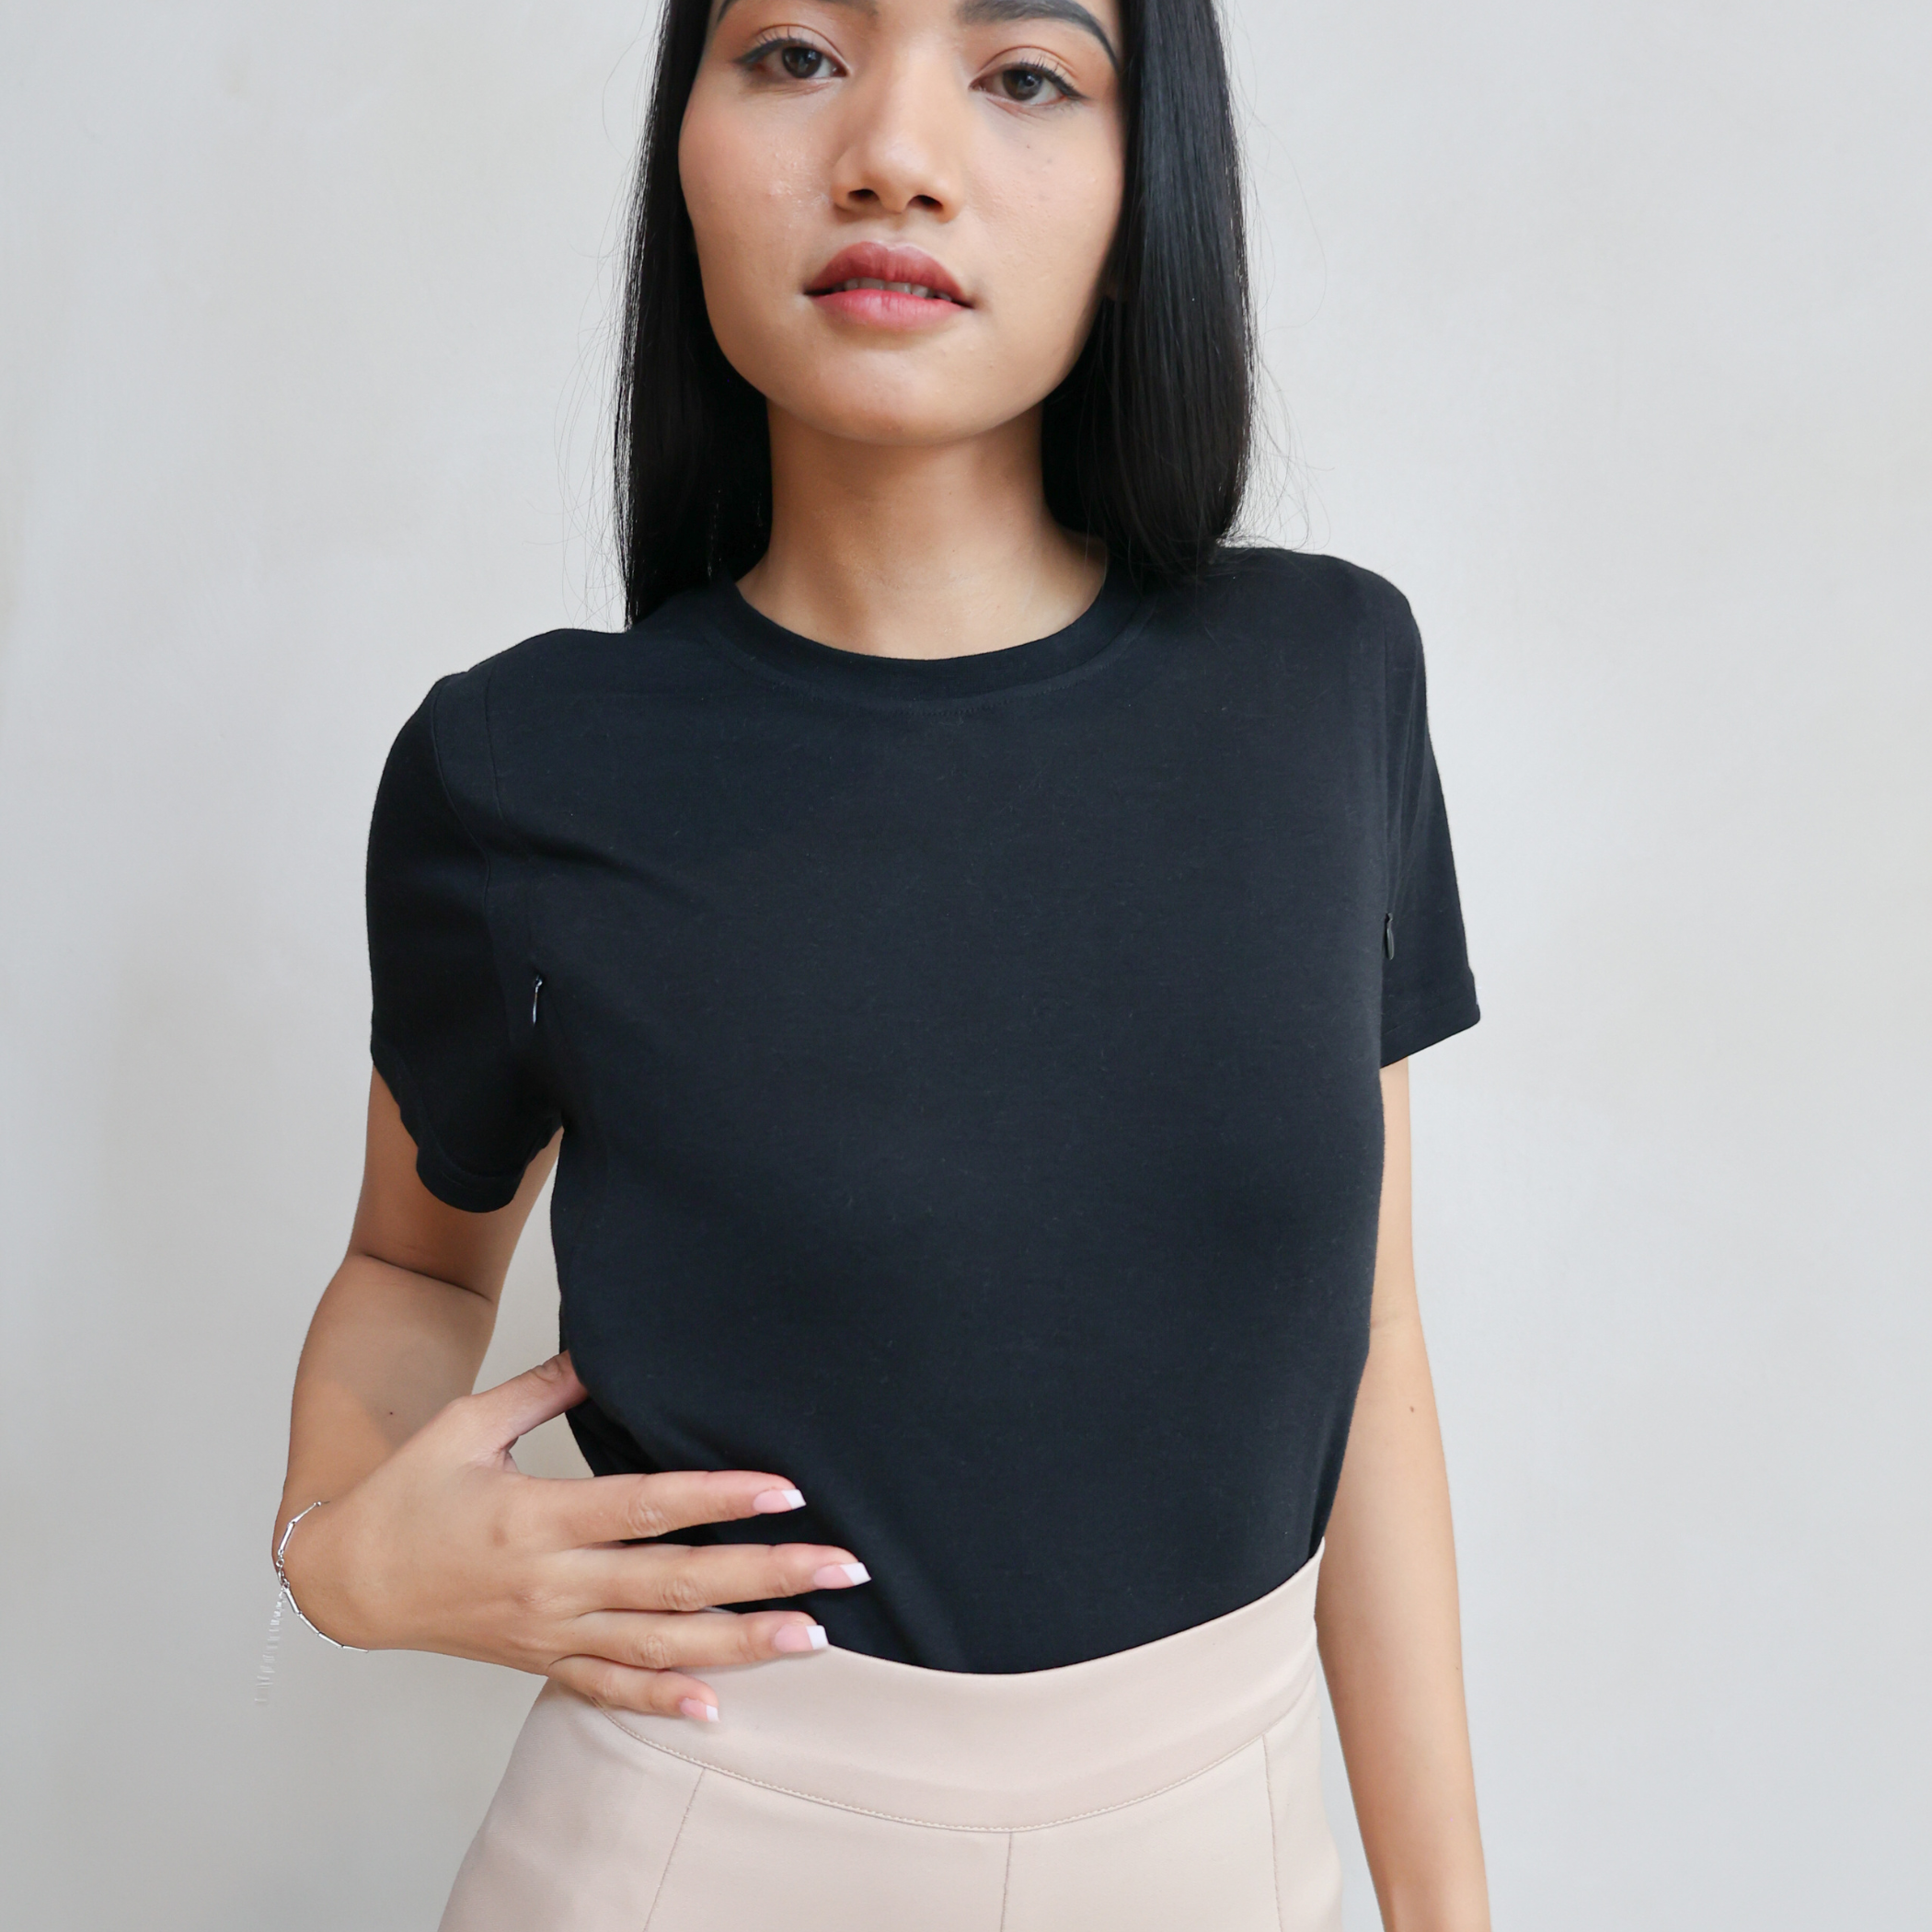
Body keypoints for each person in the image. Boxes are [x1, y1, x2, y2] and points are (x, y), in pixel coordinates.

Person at [272, 0, 1491, 1925]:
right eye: (794, 54)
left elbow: (1376, 1346)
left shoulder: (1326, 683)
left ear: (1147, 185)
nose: (896, 157)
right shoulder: (519, 770)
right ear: (683, 146)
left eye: (1026, 75)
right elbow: (413, 1266)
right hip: (697, 1849)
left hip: (1235, 1856)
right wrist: (338, 1546)